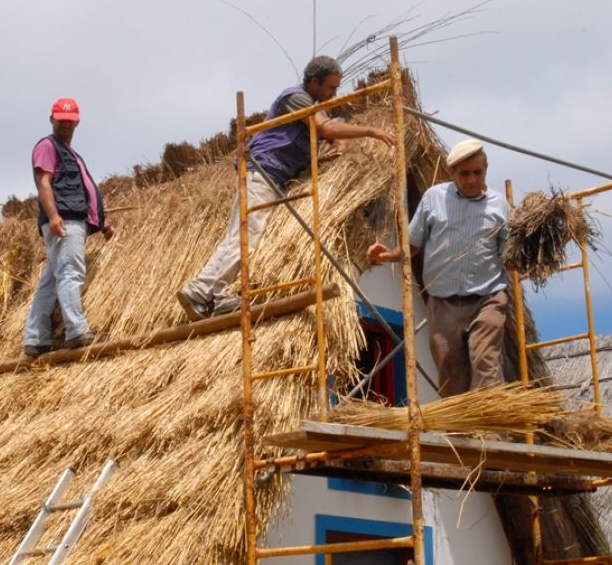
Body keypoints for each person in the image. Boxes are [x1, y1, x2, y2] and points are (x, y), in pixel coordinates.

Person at [177, 55, 396, 321]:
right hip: (263, 170)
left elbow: (328, 130)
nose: (334, 93)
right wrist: (370, 132)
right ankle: (199, 289)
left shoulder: (316, 106)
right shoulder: (295, 97)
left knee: (249, 236)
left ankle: (218, 295)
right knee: (246, 235)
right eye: (330, 88)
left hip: (276, 177)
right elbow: (323, 126)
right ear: (313, 82)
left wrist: (336, 142)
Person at [367, 138, 510, 398]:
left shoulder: (498, 205)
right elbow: (414, 244)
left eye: (477, 172)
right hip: (443, 301)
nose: (471, 180)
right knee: (450, 370)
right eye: (464, 173)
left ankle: (494, 432)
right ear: (451, 173)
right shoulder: (434, 198)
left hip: (487, 297)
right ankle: (459, 434)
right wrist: (389, 254)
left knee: (485, 360)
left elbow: (509, 256)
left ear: (485, 170)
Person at [23, 97, 114, 357]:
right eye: (61, 120)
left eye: (70, 121)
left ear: (77, 122)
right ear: (52, 119)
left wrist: (102, 222)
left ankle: (36, 338)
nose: (66, 125)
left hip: (72, 219)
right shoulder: (47, 146)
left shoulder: (70, 153)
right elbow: (44, 182)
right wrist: (52, 216)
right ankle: (76, 330)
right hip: (64, 221)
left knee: (51, 280)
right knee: (71, 273)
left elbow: (83, 191)